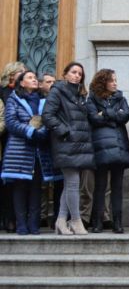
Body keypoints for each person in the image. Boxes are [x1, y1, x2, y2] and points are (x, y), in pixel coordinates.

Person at [1, 71, 59, 234]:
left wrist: (44, 131)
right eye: (30, 78)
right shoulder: (14, 99)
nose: (34, 80)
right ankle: (21, 225)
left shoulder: (44, 100)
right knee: (20, 188)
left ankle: (33, 225)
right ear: (21, 83)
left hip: (39, 151)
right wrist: (30, 131)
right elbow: (11, 122)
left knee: (37, 188)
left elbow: (49, 119)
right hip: (19, 149)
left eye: (35, 78)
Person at [43, 62, 96, 236]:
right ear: (65, 74)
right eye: (73, 72)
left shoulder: (80, 94)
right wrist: (64, 131)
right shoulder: (57, 91)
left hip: (78, 145)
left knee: (70, 185)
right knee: (73, 183)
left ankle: (60, 220)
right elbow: (48, 116)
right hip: (65, 144)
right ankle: (75, 220)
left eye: (80, 74)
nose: (77, 76)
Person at [85, 69, 129, 234]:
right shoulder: (91, 99)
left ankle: (118, 223)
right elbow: (93, 118)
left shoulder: (121, 98)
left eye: (115, 80)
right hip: (101, 148)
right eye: (112, 80)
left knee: (117, 187)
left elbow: (126, 116)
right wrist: (113, 117)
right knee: (100, 187)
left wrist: (105, 113)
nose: (115, 83)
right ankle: (97, 222)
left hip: (119, 147)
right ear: (103, 82)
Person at [0, 61, 27, 233]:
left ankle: (14, 219)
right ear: (12, 74)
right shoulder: (3, 92)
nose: (25, 74)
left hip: (21, 141)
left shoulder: (25, 92)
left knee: (15, 185)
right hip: (5, 141)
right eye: (21, 72)